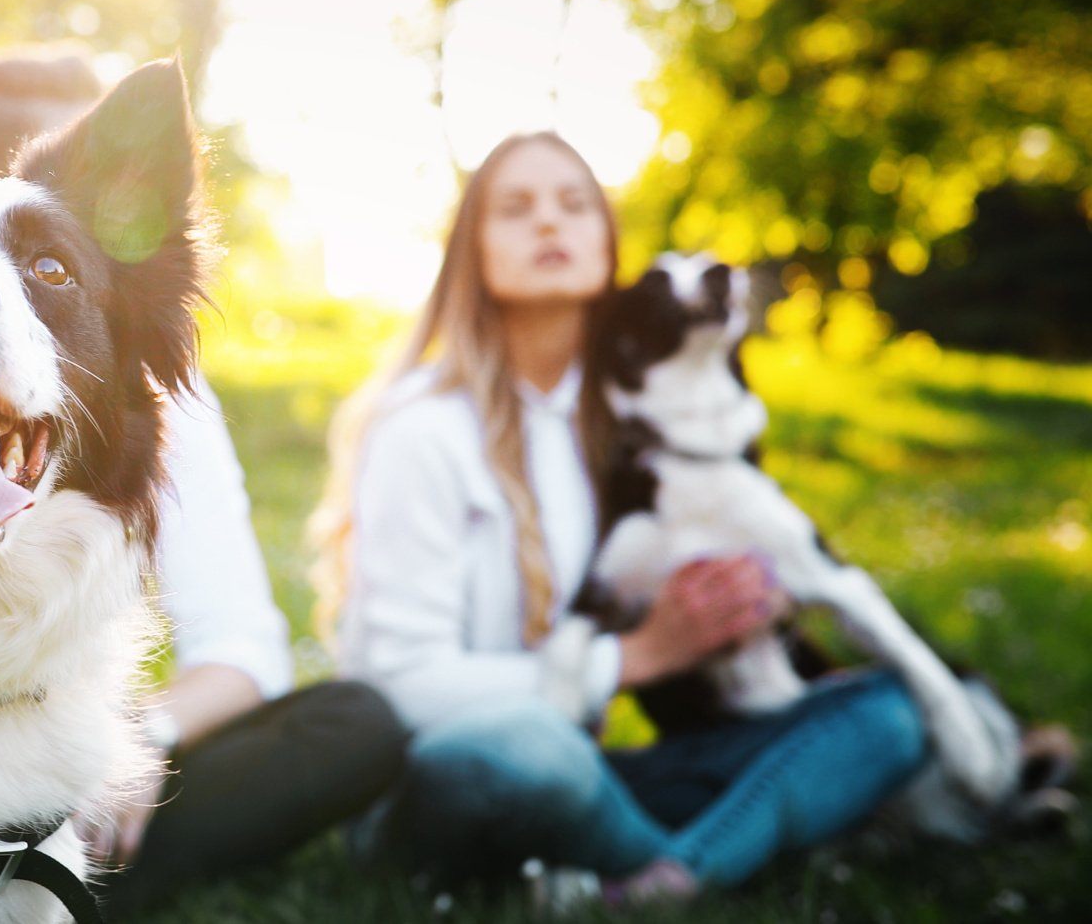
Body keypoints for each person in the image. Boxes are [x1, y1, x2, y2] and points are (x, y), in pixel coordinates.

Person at [309, 132, 930, 901]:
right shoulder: (423, 428)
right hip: (443, 779)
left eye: (575, 204)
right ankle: (703, 855)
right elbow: (399, 689)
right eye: (516, 208)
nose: (549, 223)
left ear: (609, 245)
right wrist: (634, 658)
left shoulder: (612, 432)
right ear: (471, 251)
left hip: (579, 769)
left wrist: (731, 604)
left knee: (887, 712)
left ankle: (658, 876)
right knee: (534, 750)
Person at [0, 49, 408, 911]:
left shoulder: (147, 396)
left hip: (81, 758)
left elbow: (241, 649)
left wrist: (125, 747)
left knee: (352, 724)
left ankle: (52, 868)